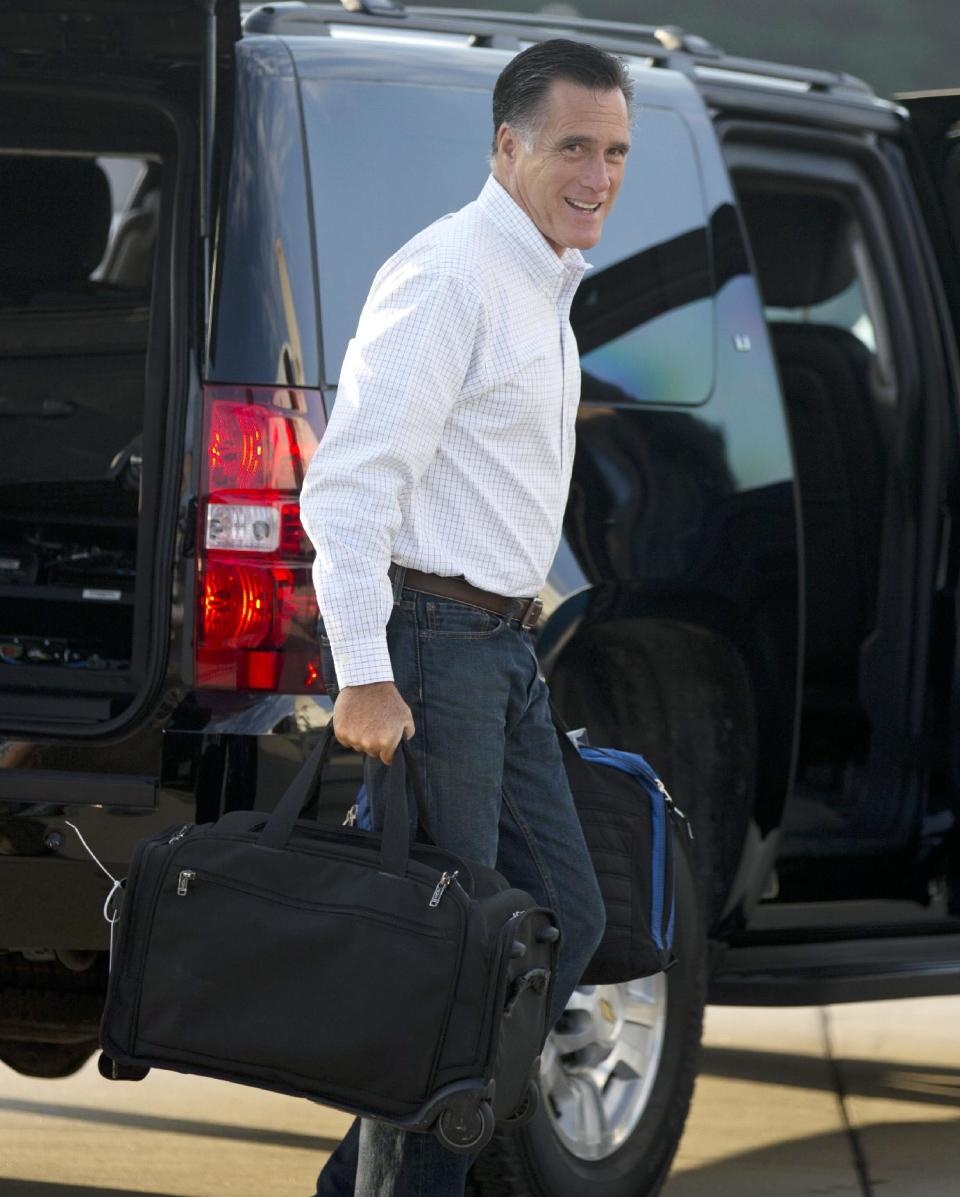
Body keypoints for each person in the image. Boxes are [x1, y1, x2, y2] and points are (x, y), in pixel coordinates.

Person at [299, 37, 634, 1197]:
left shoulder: (542, 278)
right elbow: (348, 484)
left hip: (501, 650)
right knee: (448, 962)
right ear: (507, 145)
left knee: (568, 921)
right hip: (431, 651)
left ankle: (377, 1177)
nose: (597, 174)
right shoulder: (453, 274)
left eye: (617, 152)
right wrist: (362, 672)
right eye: (573, 147)